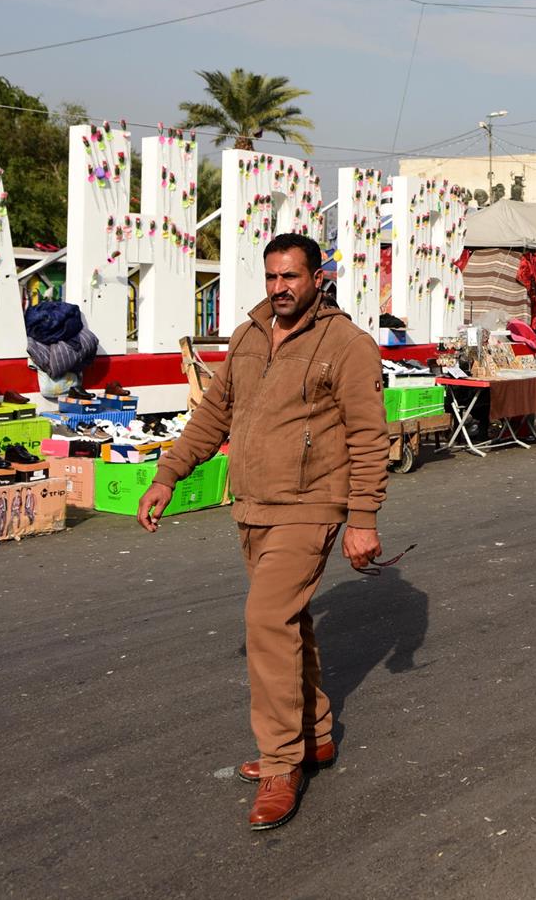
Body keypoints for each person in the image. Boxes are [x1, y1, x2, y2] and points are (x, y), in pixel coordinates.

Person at [138, 232, 391, 832]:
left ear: (317, 279)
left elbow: (367, 435)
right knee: (289, 621)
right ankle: (315, 734)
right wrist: (167, 475)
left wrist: (363, 518)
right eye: (271, 277)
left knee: (266, 619)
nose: (279, 289)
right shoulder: (249, 335)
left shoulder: (347, 345)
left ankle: (283, 764)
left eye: (291, 278)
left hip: (312, 503)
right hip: (253, 505)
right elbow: (214, 414)